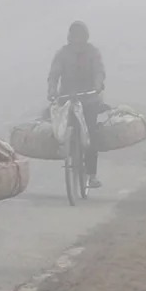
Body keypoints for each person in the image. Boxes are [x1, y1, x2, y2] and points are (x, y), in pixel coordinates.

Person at [48, 21, 107, 188]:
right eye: (74, 36)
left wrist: (97, 85)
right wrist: (52, 90)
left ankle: (91, 174)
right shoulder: (63, 54)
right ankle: (70, 150)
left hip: (89, 98)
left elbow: (99, 71)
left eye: (80, 36)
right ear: (70, 37)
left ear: (85, 37)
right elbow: (53, 74)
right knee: (62, 130)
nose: (77, 40)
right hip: (67, 98)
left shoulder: (92, 53)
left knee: (91, 134)